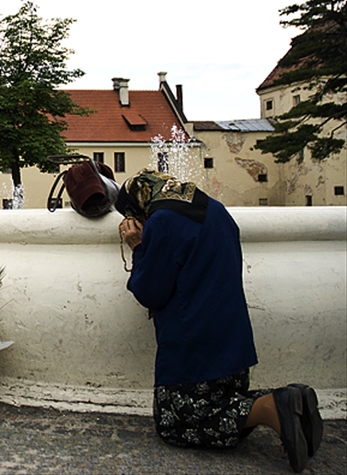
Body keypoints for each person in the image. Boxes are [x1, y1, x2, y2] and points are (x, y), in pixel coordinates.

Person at [116, 169, 322, 473]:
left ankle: (270, 408)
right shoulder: (216, 210)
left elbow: (151, 291)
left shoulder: (162, 221)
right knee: (224, 402)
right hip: (233, 342)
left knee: (173, 421)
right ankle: (292, 400)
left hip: (194, 347)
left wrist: (138, 247)